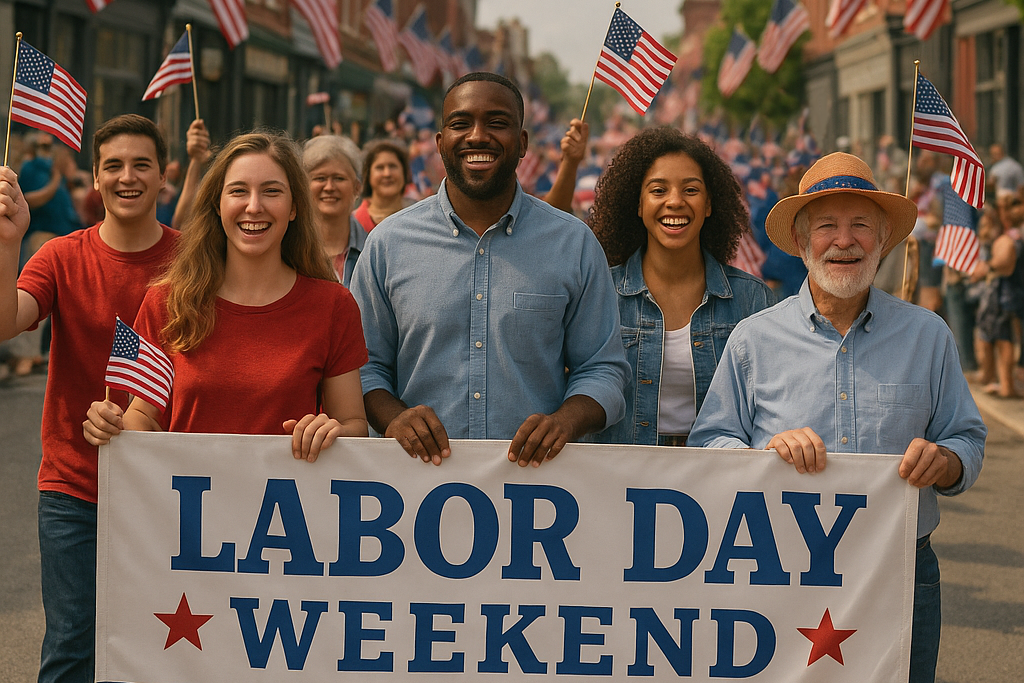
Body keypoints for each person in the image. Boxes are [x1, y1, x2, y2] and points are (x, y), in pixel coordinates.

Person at [689, 152, 986, 683]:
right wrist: (764, 456)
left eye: (860, 227)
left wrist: (943, 461)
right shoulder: (754, 340)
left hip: (899, 571)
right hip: (780, 573)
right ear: (801, 244)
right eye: (826, 226)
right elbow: (710, 442)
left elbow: (966, 439)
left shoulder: (928, 336)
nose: (843, 241)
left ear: (883, 241)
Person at [350, 72, 630, 468]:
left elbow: (603, 369)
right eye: (461, 123)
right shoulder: (387, 244)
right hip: (412, 489)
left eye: (497, 123)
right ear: (440, 142)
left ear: (522, 144)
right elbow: (362, 366)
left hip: (536, 492)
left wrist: (564, 421)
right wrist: (395, 418)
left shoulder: (574, 244)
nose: (478, 136)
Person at [1, 114, 178, 683]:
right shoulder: (60, 256)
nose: (128, 177)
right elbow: (8, 322)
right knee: (72, 643)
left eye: (141, 165)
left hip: (172, 490)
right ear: (94, 180)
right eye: (114, 167)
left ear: (163, 177)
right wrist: (8, 241)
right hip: (74, 485)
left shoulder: (196, 259)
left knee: (164, 644)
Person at [83, 131, 369, 456]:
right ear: (218, 204)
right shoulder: (167, 302)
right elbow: (144, 417)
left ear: (294, 207)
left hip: (288, 505)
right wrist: (112, 424)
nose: (254, 206)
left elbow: (354, 426)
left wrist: (333, 430)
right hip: (185, 504)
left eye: (272, 192)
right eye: (238, 191)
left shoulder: (333, 306)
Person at [587, 127, 774, 445]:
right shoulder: (598, 294)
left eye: (691, 190)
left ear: (710, 204)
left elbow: (773, 404)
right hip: (619, 481)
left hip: (718, 478)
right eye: (658, 191)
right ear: (638, 204)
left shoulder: (753, 299)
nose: (674, 202)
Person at [303, 135, 366, 287]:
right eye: (320, 178)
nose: (329, 187)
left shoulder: (373, 250)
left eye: (339, 178)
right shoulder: (285, 251)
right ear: (303, 186)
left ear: (357, 187)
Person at [353, 139, 413, 231]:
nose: (387, 174)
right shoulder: (352, 224)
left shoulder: (420, 218)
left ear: (404, 173)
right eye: (380, 167)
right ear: (368, 175)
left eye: (392, 166)